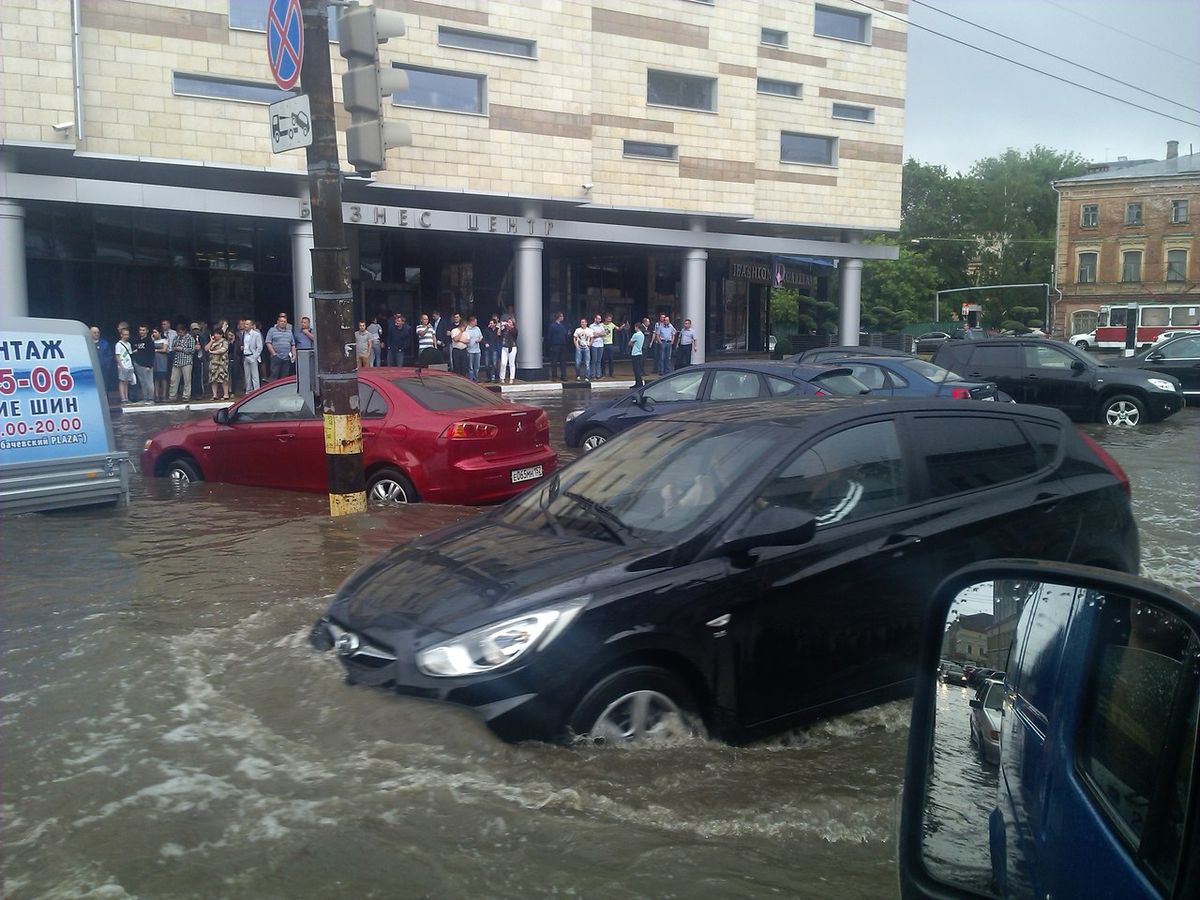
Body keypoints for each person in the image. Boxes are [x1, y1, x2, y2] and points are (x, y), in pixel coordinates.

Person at [169, 320, 195, 401]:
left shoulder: (190, 338)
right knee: (173, 379)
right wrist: (175, 348)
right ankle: (172, 396)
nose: (179, 333)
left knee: (187, 380)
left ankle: (186, 396)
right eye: (178, 332)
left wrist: (181, 349)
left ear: (184, 331)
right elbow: (172, 347)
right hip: (176, 361)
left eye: (180, 332)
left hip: (186, 361)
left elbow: (192, 350)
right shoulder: (176, 338)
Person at [265, 312, 295, 381]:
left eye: (284, 322)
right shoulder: (272, 330)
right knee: (274, 376)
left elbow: (292, 344)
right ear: (277, 322)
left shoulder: (289, 332)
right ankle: (273, 391)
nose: (283, 323)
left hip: (287, 358)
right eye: (281, 321)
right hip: (276, 357)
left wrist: (294, 355)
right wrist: (274, 354)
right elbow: (268, 342)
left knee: (285, 377)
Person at [130, 323, 155, 403]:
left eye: (143, 330)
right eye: (140, 330)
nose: (142, 332)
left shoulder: (149, 340)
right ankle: (145, 398)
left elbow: (152, 354)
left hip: (147, 365)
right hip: (138, 364)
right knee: (142, 382)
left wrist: (150, 365)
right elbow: (134, 350)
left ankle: (151, 398)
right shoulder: (136, 340)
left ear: (147, 331)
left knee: (149, 382)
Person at [206, 329, 230, 400]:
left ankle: (226, 394)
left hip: (222, 363)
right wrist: (211, 341)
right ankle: (214, 395)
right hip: (213, 363)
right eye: (215, 334)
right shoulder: (213, 342)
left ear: (221, 335)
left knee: (224, 378)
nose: (215, 335)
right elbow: (206, 349)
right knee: (213, 379)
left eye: (217, 334)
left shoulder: (224, 341)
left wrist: (213, 352)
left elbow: (223, 349)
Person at [241, 318, 263, 393]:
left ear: (251, 326)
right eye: (244, 324)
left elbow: (259, 347)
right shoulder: (244, 334)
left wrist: (254, 357)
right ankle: (248, 391)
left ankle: (257, 391)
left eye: (247, 324)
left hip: (252, 356)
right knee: (247, 376)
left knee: (255, 376)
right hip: (245, 356)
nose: (245, 326)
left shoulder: (256, 334)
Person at [114, 325, 135, 403]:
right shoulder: (118, 344)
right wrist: (121, 366)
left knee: (126, 382)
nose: (127, 336)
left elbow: (130, 354)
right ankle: (123, 398)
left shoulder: (128, 344)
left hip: (129, 365)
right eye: (125, 335)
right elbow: (117, 355)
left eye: (127, 334)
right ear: (121, 335)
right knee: (122, 381)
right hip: (122, 365)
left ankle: (126, 398)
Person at [546, 312, 569, 382]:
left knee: (563, 361)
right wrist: (550, 345)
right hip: (555, 345)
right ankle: (554, 376)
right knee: (554, 361)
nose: (563, 318)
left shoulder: (562, 325)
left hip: (562, 345)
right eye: (562, 316)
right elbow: (549, 336)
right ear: (559, 317)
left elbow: (565, 334)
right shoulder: (552, 326)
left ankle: (563, 376)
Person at [463, 315, 484, 381]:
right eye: (475, 321)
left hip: (477, 350)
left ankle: (476, 377)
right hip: (470, 350)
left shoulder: (477, 328)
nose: (476, 323)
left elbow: (481, 336)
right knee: (470, 366)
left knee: (477, 366)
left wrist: (479, 339)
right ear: (471, 322)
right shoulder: (466, 329)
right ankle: (471, 379)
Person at [152, 328, 170, 401]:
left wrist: (156, 350)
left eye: (155, 332)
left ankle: (164, 395)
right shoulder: (152, 341)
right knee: (156, 379)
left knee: (163, 378)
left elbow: (164, 350)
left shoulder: (164, 340)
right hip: (155, 361)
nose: (154, 334)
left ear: (159, 333)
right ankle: (156, 395)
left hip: (162, 361)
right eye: (153, 332)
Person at [500, 316, 519, 384]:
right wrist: (501, 326)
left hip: (512, 347)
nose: (508, 323)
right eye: (508, 322)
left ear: (513, 323)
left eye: (510, 322)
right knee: (503, 363)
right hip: (504, 347)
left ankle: (511, 378)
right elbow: (500, 335)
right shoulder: (505, 329)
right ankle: (502, 377)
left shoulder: (515, 329)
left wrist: (509, 327)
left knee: (511, 363)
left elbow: (514, 334)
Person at [572, 318, 592, 382]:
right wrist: (576, 346)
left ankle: (587, 377)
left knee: (587, 363)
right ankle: (578, 376)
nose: (582, 323)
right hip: (579, 347)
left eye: (584, 322)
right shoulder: (578, 330)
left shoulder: (590, 330)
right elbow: (574, 338)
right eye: (581, 322)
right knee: (578, 362)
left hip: (586, 347)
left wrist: (589, 345)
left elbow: (592, 338)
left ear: (586, 323)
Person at [629, 322, 646, 388]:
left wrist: (633, 345)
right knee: (638, 368)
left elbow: (629, 343)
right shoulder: (642, 334)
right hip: (640, 352)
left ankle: (638, 383)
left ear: (636, 327)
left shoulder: (635, 335)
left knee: (636, 369)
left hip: (635, 353)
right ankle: (639, 382)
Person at [589, 314, 605, 381]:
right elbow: (592, 335)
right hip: (594, 345)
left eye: (600, 319)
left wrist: (597, 334)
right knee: (594, 360)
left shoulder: (601, 326)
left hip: (601, 345)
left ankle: (598, 375)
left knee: (599, 360)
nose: (600, 320)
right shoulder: (591, 326)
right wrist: (599, 334)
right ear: (595, 319)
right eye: (598, 319)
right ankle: (593, 374)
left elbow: (604, 333)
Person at [601, 313, 616, 378]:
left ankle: (611, 373)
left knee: (611, 359)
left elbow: (618, 328)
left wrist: (623, 326)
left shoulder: (612, 324)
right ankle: (603, 373)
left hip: (610, 344)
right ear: (606, 319)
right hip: (603, 344)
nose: (610, 320)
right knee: (603, 359)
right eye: (609, 319)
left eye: (611, 319)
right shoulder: (601, 325)